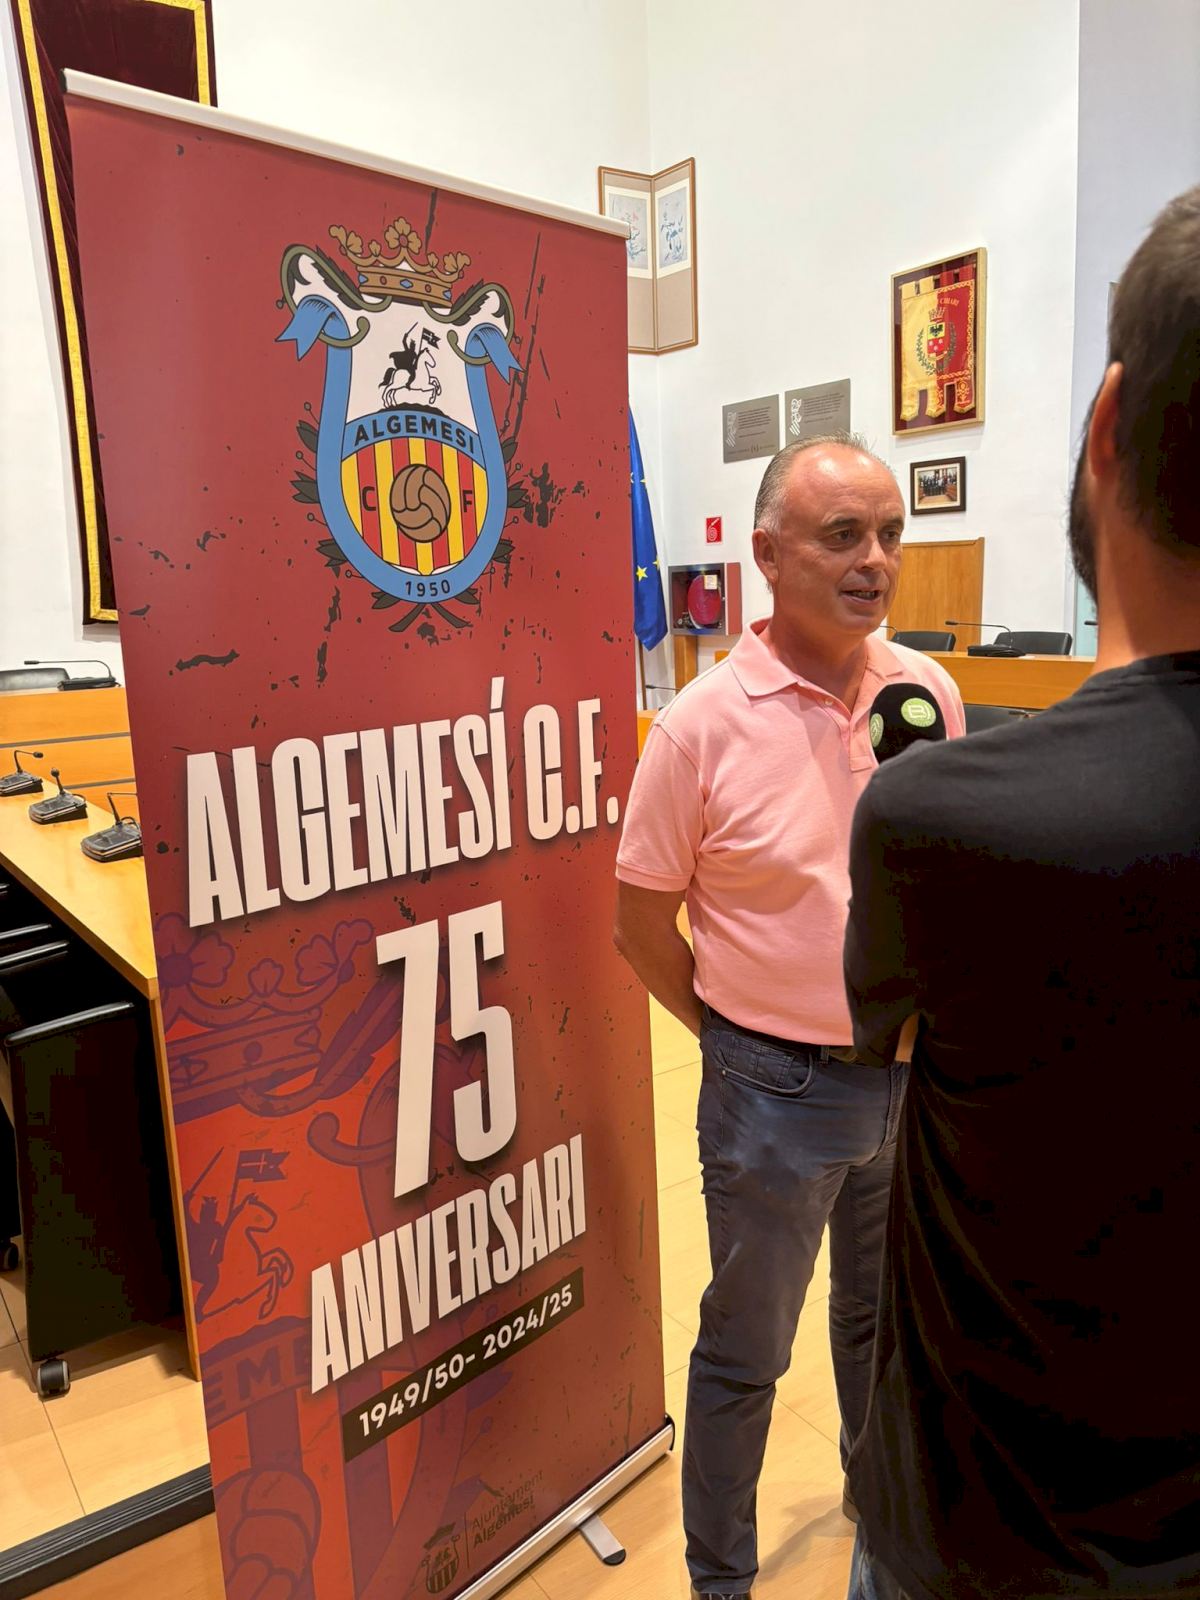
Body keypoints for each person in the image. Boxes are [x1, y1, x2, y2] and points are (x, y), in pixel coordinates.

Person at [843, 186, 1200, 1600]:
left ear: (1104, 424)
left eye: (887, 531)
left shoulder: (936, 813)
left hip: (983, 1540)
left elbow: (883, 1036)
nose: (872, 563)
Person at [614, 435, 965, 1600]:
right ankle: (722, 1580)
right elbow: (640, 924)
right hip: (773, 1095)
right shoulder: (700, 725)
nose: (876, 561)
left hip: (907, 1085)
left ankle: (877, 1522)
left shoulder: (927, 695)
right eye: (842, 535)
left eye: (891, 535)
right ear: (766, 556)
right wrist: (735, 1044)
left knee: (877, 1328)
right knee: (745, 1355)